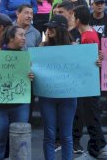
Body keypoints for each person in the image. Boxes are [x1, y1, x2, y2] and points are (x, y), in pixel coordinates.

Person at [0, 25, 33, 160]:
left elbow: (35, 75)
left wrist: (31, 76)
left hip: (19, 104)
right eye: (21, 35)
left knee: (19, 140)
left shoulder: (26, 56)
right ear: (11, 37)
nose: (24, 38)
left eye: (24, 35)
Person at [72, 5, 107, 158]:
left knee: (91, 116)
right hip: (89, 81)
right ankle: (101, 146)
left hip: (88, 82)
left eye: (73, 17)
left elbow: (86, 60)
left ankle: (97, 149)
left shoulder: (87, 36)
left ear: (78, 20)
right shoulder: (91, 33)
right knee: (91, 115)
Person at [38, 15, 76, 160]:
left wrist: (96, 62)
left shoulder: (74, 47)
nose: (48, 30)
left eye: (52, 27)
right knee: (49, 134)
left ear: (61, 28)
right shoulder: (43, 47)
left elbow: (83, 67)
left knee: (66, 135)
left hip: (68, 95)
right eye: (48, 27)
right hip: (47, 96)